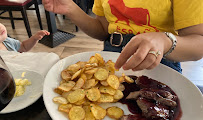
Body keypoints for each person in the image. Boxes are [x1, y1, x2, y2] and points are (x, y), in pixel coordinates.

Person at [42, 0, 203, 73]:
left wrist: (165, 41)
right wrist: (71, 8)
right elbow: (102, 31)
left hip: (161, 64)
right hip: (112, 60)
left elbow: (198, 44)